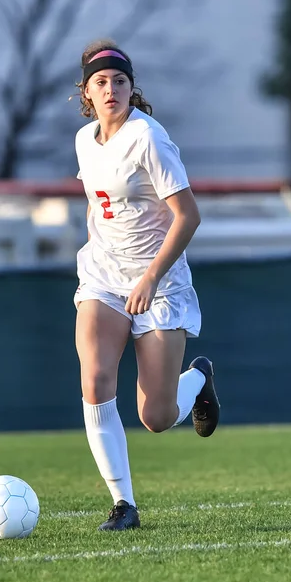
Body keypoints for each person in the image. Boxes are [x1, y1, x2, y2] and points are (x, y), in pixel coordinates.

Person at [73, 39, 220, 531]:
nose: (111, 88)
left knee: (156, 416)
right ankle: (123, 505)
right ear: (86, 93)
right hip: (103, 277)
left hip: (159, 283)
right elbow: (103, 206)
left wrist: (151, 276)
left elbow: (188, 216)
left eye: (119, 80)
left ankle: (199, 379)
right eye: (101, 81)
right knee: (95, 379)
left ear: (132, 88)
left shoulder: (149, 139)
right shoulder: (83, 141)